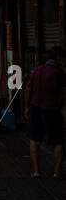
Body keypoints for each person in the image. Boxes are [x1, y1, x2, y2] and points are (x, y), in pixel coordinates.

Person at [27, 47, 64, 179]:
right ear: (57, 59)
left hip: (35, 108)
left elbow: (29, 90)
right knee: (58, 141)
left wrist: (28, 107)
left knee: (34, 139)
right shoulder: (59, 72)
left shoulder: (36, 71)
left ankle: (36, 171)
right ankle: (57, 172)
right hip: (53, 110)